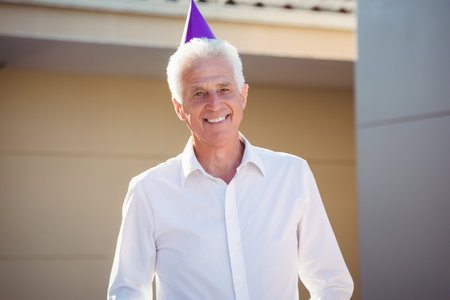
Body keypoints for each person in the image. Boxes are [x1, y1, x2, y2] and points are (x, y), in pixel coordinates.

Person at [108, 1, 353, 299]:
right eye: (198, 93)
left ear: (243, 96)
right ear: (179, 107)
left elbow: (332, 283)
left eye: (224, 89)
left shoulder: (292, 175)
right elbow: (127, 291)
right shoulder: (148, 192)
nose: (214, 104)